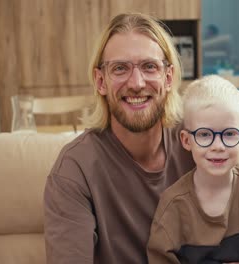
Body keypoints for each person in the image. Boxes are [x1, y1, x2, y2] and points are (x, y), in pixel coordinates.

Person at [43, 12, 195, 264]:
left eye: (149, 66)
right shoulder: (73, 170)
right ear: (100, 81)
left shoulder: (197, 145)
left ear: (168, 78)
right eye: (120, 68)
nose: (136, 83)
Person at [146, 75, 239, 263]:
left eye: (230, 134)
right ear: (186, 140)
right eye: (205, 134)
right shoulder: (172, 205)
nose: (218, 146)